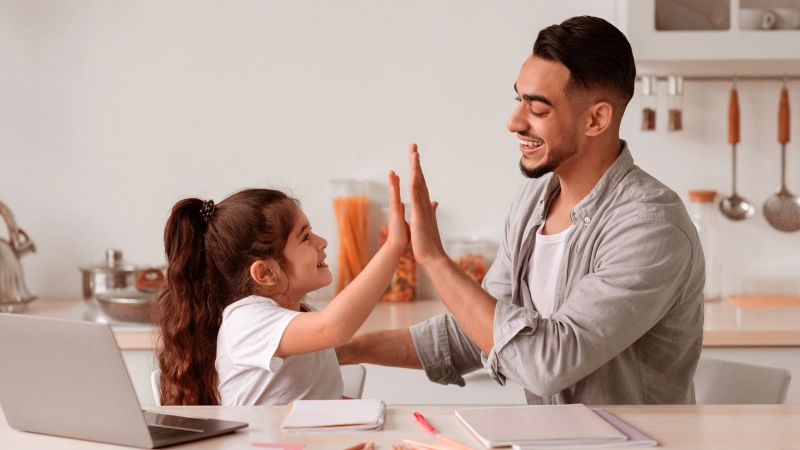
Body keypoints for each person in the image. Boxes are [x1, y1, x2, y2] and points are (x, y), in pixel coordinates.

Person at [336, 16, 705, 405]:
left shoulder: (650, 226)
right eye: (519, 101)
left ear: (596, 119)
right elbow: (478, 329)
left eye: (538, 110)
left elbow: (548, 365)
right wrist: (347, 349)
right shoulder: (533, 204)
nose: (514, 122)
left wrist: (432, 258)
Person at [154, 172, 408, 406]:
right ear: (266, 273)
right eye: (305, 237)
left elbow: (312, 397)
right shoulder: (246, 321)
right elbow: (334, 327)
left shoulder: (303, 316)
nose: (322, 242)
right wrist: (394, 246)